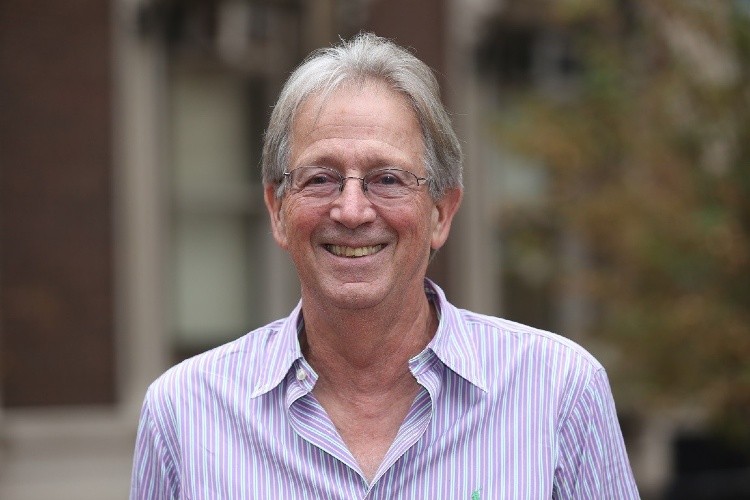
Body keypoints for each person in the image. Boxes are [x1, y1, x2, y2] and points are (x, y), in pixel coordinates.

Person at [130, 33, 640, 499]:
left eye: (388, 179)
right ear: (277, 211)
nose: (351, 210)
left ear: (441, 212)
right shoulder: (185, 413)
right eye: (321, 179)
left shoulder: (558, 394)